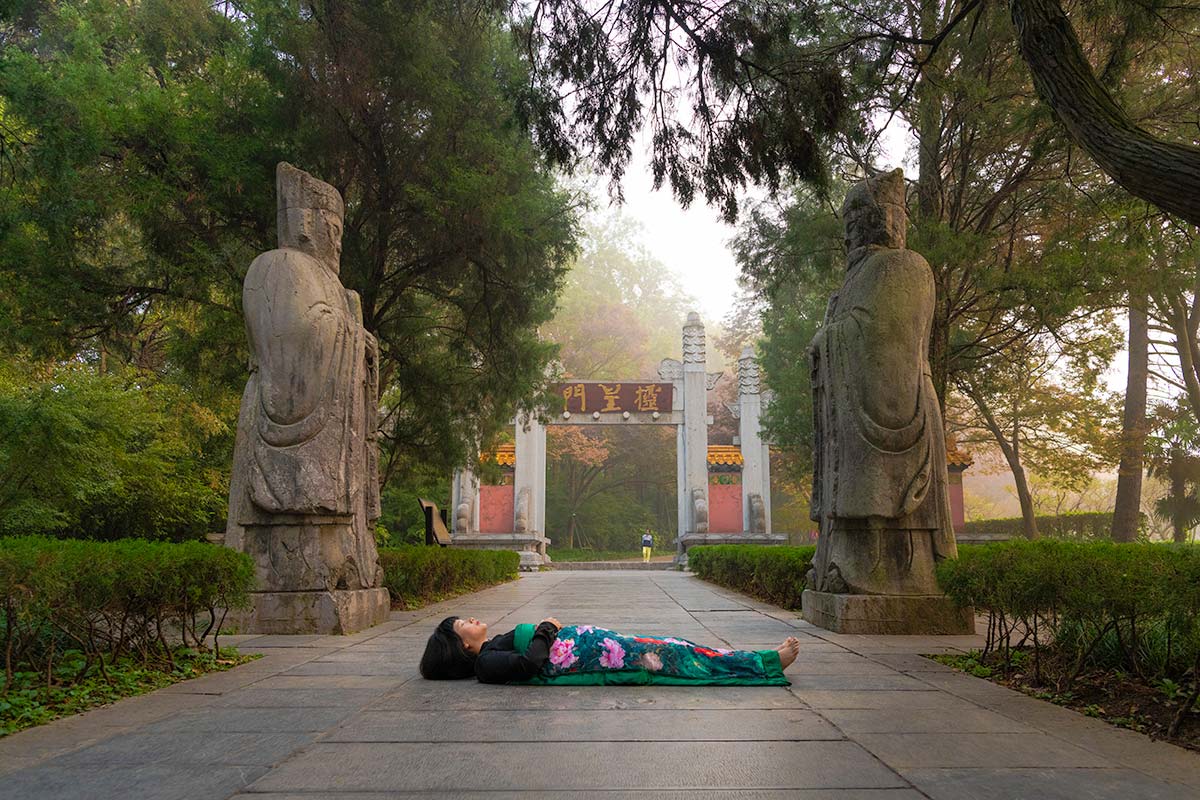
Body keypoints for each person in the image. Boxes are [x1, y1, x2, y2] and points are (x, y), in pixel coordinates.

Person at [419, 615, 800, 685]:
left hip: (606, 646)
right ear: (464, 647)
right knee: (683, 658)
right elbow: (531, 664)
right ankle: (765, 663)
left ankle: (760, 660)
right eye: (463, 625)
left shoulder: (490, 648)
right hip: (607, 655)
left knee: (680, 649)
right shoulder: (486, 663)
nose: (471, 619)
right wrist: (547, 628)